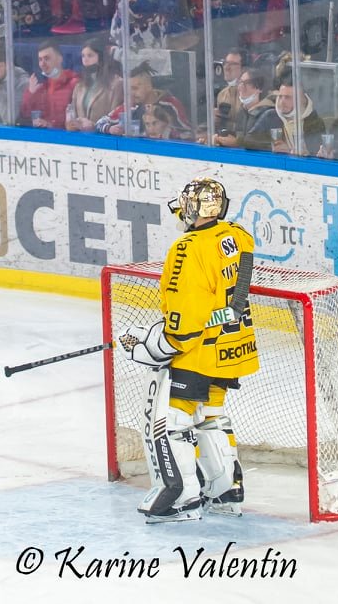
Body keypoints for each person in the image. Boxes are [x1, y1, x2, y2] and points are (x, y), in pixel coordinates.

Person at [116, 177, 256, 524]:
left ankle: (181, 498)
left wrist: (155, 346)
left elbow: (185, 320)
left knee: (176, 419)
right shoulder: (238, 235)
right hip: (231, 344)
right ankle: (226, 492)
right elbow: (228, 304)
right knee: (210, 414)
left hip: (197, 350)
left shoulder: (186, 248)